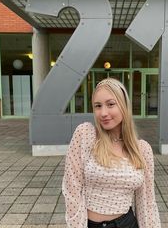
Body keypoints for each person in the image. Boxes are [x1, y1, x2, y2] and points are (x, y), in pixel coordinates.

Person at [62, 78, 161, 228]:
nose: (103, 113)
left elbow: (146, 202)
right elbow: (72, 189)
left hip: (127, 223)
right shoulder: (85, 135)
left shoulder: (142, 149)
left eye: (110, 104)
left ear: (124, 106)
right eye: (97, 106)